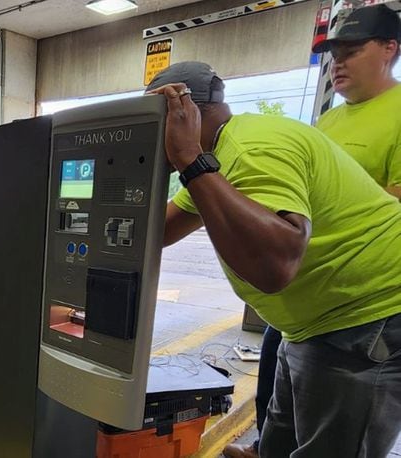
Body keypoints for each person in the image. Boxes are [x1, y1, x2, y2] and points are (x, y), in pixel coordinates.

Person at [146, 61, 401, 458]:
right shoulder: (221, 158)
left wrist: (188, 159)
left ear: (181, 114)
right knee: (279, 437)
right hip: (312, 322)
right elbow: (157, 232)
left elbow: (273, 267)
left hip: (364, 317)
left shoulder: (248, 149)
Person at [223, 5, 401, 457]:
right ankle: (268, 446)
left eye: (350, 51)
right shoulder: (331, 120)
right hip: (310, 300)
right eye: (332, 54)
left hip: (363, 307)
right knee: (279, 394)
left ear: (389, 50)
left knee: (340, 436)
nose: (336, 63)